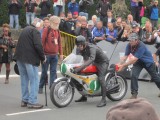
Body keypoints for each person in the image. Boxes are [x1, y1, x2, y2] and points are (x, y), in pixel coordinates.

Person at [14, 18, 45, 109]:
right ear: (38, 25)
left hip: (20, 58)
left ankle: (25, 100)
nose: (41, 28)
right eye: (42, 26)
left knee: (24, 80)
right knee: (34, 80)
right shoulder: (35, 31)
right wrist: (43, 57)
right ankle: (32, 101)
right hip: (30, 59)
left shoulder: (25, 29)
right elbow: (38, 46)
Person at [117, 33, 160, 99]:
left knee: (155, 77)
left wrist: (123, 65)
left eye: (132, 40)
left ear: (136, 40)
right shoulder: (129, 45)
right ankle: (134, 93)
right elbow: (125, 57)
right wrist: (119, 64)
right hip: (139, 62)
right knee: (134, 75)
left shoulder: (141, 45)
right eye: (130, 40)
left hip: (148, 62)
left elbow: (134, 60)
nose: (130, 42)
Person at [73, 35, 109, 107]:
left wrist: (80, 68)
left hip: (103, 62)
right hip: (95, 62)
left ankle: (104, 100)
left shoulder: (91, 47)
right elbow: (85, 59)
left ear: (83, 44)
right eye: (77, 46)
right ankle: (84, 96)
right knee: (84, 75)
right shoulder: (82, 48)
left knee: (101, 78)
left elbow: (91, 59)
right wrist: (80, 68)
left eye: (80, 45)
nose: (79, 47)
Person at [39, 16, 63, 93]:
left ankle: (52, 87)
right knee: (44, 71)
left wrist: (61, 54)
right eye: (56, 23)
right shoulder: (46, 30)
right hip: (46, 55)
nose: (57, 24)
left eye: (58, 23)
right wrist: (42, 55)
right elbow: (42, 42)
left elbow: (59, 43)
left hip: (55, 55)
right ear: (52, 22)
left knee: (53, 72)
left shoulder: (58, 31)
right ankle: (41, 86)